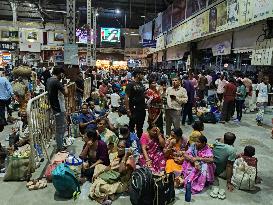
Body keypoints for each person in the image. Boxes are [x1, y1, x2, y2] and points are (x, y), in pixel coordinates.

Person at [90, 140, 136, 204]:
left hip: (121, 182)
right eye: (119, 146)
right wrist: (99, 173)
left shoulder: (129, 159)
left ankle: (103, 198)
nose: (120, 149)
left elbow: (121, 170)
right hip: (113, 176)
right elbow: (110, 166)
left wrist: (125, 156)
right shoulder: (117, 155)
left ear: (126, 148)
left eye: (122, 147)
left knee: (99, 186)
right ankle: (109, 195)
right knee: (98, 166)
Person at [46, 66, 68, 152]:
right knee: (60, 128)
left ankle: (60, 144)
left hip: (53, 106)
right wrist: (65, 84)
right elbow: (66, 93)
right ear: (61, 73)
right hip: (58, 107)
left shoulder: (49, 80)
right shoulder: (56, 81)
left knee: (59, 127)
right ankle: (60, 147)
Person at [125, 68, 146, 138]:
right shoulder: (130, 84)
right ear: (137, 75)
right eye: (142, 74)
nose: (143, 76)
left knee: (140, 127)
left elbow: (142, 94)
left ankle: (139, 141)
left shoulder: (141, 84)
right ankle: (132, 141)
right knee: (132, 126)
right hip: (134, 109)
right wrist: (128, 109)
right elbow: (126, 97)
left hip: (142, 109)